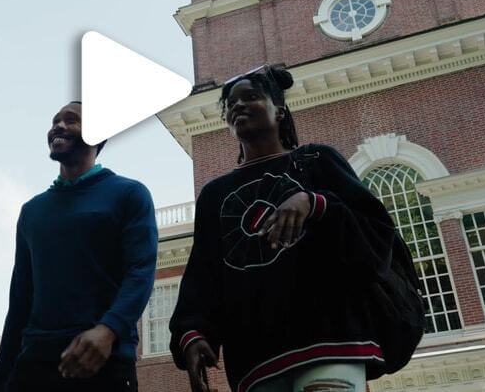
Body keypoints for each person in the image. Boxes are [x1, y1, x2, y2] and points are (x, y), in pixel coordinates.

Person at [170, 65, 417, 392]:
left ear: (280, 110)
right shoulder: (216, 195)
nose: (239, 106)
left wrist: (314, 203)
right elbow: (204, 272)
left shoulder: (317, 161)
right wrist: (193, 333)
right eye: (231, 103)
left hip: (333, 342)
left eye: (252, 97)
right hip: (256, 360)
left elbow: (376, 232)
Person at [0, 101, 158, 391]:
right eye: (55, 121)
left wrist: (108, 331)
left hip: (101, 358)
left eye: (72, 120)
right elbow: (20, 300)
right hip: (35, 363)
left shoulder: (129, 194)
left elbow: (141, 271)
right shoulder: (32, 211)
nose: (58, 126)